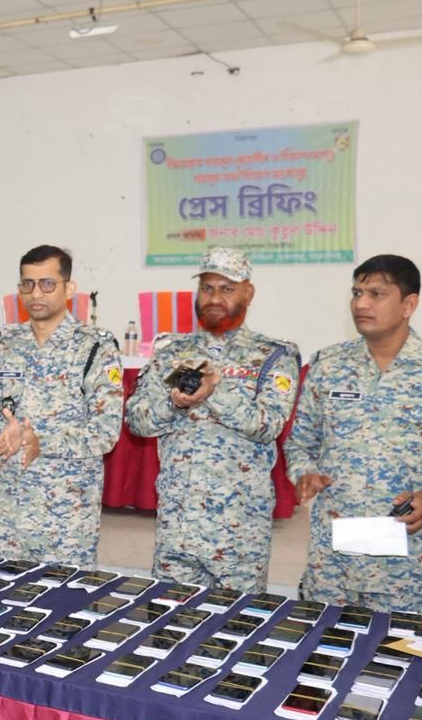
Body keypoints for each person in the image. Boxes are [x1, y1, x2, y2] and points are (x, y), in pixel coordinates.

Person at [126, 247, 300, 593]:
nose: (215, 298)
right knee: (170, 619)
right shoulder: (171, 352)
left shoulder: (274, 356)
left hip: (240, 530)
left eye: (226, 289)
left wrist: (213, 393)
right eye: (206, 288)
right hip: (178, 524)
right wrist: (174, 404)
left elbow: (268, 426)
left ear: (248, 293)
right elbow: (136, 421)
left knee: (238, 622)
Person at [284, 255, 422, 617]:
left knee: (403, 650)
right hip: (334, 562)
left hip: (410, 567)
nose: (361, 303)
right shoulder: (328, 366)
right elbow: (300, 442)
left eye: (376, 293)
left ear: (409, 304)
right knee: (324, 646)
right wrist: (304, 473)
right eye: (357, 293)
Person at [0, 246, 123, 568]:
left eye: (47, 284)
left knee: (67, 595)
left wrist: (40, 441)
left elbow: (105, 432)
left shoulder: (95, 346)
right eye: (28, 284)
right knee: (8, 590)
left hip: (67, 513)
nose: (36, 293)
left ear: (69, 288)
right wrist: (4, 434)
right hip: (10, 505)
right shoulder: (4, 345)